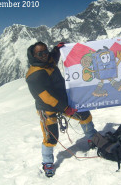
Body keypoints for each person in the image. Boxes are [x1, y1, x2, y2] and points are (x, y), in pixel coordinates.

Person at [25, 41, 97, 177]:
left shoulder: (47, 61)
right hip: (47, 109)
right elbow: (46, 98)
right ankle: (47, 162)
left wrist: (57, 49)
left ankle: (92, 138)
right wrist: (65, 108)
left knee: (84, 115)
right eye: (41, 53)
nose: (45, 55)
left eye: (45, 51)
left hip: (63, 102)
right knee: (51, 138)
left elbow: (54, 56)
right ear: (34, 55)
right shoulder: (34, 75)